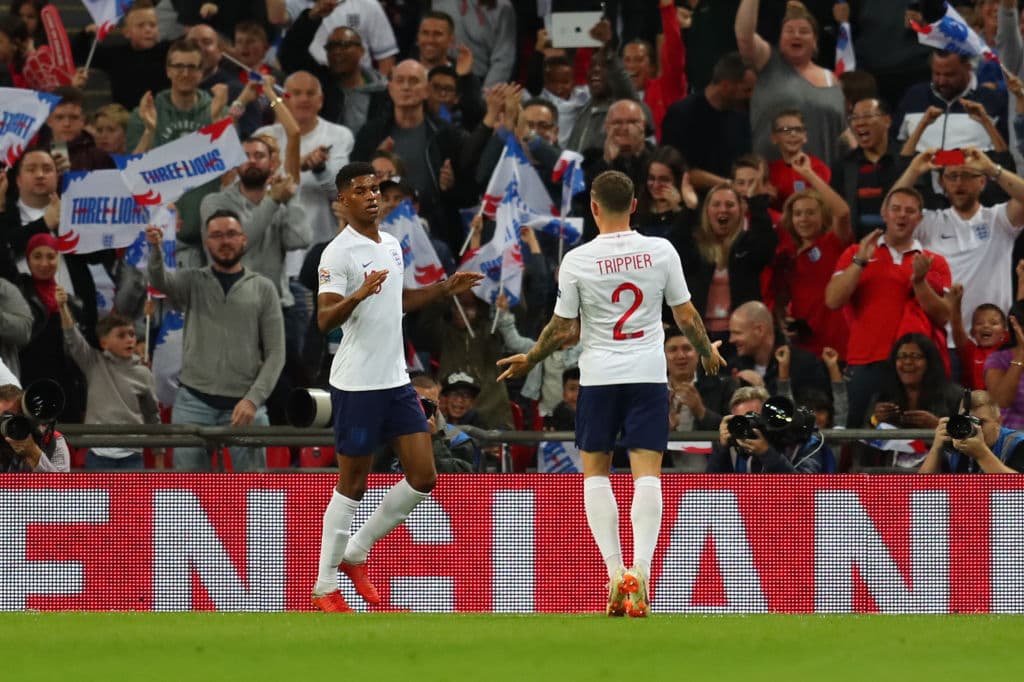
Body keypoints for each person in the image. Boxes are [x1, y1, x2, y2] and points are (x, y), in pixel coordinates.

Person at [497, 170, 725, 618]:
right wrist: (706, 354)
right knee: (647, 474)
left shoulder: (579, 260)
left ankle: (616, 571)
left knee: (596, 474)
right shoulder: (661, 251)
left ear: (594, 208)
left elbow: (562, 328)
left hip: (599, 375)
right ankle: (641, 569)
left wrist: (531, 358)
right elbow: (686, 313)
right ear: (635, 204)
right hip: (647, 373)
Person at [311, 161, 482, 613]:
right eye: (362, 190)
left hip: (395, 380)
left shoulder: (389, 244)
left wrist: (445, 288)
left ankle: (355, 552)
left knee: (424, 475)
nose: (373, 196)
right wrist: (357, 294)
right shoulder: (337, 254)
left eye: (376, 189)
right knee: (352, 484)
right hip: (356, 383)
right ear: (343, 201)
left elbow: (400, 300)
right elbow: (324, 319)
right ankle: (325, 584)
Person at [145, 209, 285, 472]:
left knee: (255, 494)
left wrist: (253, 400)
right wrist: (155, 250)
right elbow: (160, 281)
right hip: (192, 405)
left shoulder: (264, 288)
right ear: (206, 242)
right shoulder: (192, 281)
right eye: (217, 235)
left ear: (244, 239)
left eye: (231, 234)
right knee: (189, 493)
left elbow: (276, 353)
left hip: (245, 408)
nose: (225, 241)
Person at [825, 187, 953, 428]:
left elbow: (944, 315)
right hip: (865, 362)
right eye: (896, 209)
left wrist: (919, 282)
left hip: (915, 368)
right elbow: (833, 300)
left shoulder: (933, 261)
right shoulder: (855, 253)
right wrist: (860, 262)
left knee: (916, 439)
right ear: (884, 213)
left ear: (919, 218)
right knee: (857, 435)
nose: (901, 215)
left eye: (909, 211)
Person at [735, 0, 846, 166]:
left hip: (824, 179)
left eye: (804, 31)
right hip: (773, 178)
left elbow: (843, 132)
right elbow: (744, 36)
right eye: (789, 31)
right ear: (780, 40)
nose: (796, 35)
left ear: (815, 42)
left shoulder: (832, 78)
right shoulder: (768, 62)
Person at [58, 306, 161, 470]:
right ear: (104, 342)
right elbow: (73, 337)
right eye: (121, 335)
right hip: (98, 455)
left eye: (132, 334)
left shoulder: (143, 373)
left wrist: (159, 453)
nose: (129, 339)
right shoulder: (93, 364)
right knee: (99, 498)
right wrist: (62, 307)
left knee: (131, 498)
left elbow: (152, 415)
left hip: (132, 457)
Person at [864, 333, 963, 469]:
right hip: (890, 477)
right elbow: (862, 444)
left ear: (930, 362)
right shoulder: (883, 396)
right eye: (902, 356)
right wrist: (875, 420)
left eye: (915, 356)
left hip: (940, 476)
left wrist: (936, 426)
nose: (908, 362)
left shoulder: (954, 396)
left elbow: (968, 443)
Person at [661, 52, 756, 192]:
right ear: (725, 86)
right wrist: (729, 185)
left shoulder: (741, 115)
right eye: (746, 90)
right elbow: (676, 170)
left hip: (735, 201)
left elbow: (747, 161)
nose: (751, 96)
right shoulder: (681, 114)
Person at [707, 385, 832, 474]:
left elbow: (803, 489)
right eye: (742, 420)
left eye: (754, 417)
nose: (749, 425)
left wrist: (766, 453)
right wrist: (722, 449)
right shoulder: (732, 446)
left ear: (769, 417)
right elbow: (711, 491)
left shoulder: (804, 443)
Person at [919, 389, 1024, 473]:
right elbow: (922, 490)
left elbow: (1018, 490)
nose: (973, 427)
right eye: (967, 421)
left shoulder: (1017, 443)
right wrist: (936, 448)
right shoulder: (954, 440)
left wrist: (982, 455)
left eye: (980, 422)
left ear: (998, 422)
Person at [0, 383, 69, 472]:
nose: (11, 424)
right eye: (4, 418)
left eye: (16, 417)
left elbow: (61, 485)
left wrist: (34, 454)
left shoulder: (51, 440)